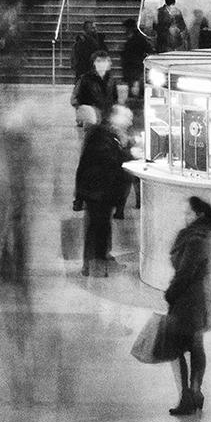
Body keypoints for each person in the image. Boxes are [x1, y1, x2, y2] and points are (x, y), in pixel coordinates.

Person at [162, 196, 211, 417]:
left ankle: (188, 395)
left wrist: (171, 294)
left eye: (188, 213)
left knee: (179, 348)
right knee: (196, 346)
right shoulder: (206, 236)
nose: (184, 217)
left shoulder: (194, 239)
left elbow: (184, 272)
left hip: (187, 301)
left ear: (198, 215)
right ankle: (195, 392)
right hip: (199, 299)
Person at [73, 105, 134, 278]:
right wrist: (127, 153)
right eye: (127, 119)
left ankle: (101, 260)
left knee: (102, 228)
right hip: (97, 192)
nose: (129, 123)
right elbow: (109, 161)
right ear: (117, 118)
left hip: (101, 192)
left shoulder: (109, 134)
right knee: (96, 228)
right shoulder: (102, 135)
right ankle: (93, 267)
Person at [70, 49, 118, 132]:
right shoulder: (85, 79)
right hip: (91, 121)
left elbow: (114, 98)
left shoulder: (111, 80)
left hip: (107, 120)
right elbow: (75, 99)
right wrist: (86, 111)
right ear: (94, 63)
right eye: (98, 61)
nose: (102, 64)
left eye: (104, 61)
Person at [120, 20, 152, 104]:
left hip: (135, 66)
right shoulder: (135, 38)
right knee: (133, 85)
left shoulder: (138, 39)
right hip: (132, 66)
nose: (125, 30)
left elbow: (148, 49)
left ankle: (138, 101)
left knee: (136, 85)